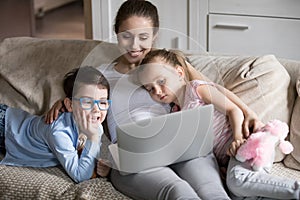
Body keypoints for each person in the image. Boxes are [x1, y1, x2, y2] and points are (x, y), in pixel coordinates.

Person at [44, 0, 263, 199]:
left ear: (154, 36)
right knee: (178, 190)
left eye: (143, 37)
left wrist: (248, 112)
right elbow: (85, 105)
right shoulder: (103, 74)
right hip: (133, 154)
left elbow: (213, 89)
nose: (134, 45)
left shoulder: (167, 65)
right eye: (126, 36)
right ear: (116, 33)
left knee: (212, 191)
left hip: (181, 145)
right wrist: (64, 104)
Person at [136, 48, 300, 200]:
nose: (157, 91)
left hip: (250, 144)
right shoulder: (175, 113)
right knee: (238, 195)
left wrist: (237, 139)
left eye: (161, 81)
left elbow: (233, 110)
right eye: (150, 88)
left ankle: (296, 189)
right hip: (230, 157)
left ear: (179, 73)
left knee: (238, 180)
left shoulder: (196, 89)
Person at [0, 66, 111, 183]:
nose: (96, 109)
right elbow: (80, 175)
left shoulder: (95, 124)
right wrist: (93, 138)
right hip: (5, 126)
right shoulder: (59, 132)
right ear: (69, 105)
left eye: (103, 102)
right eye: (87, 102)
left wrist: (102, 167)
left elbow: (85, 152)